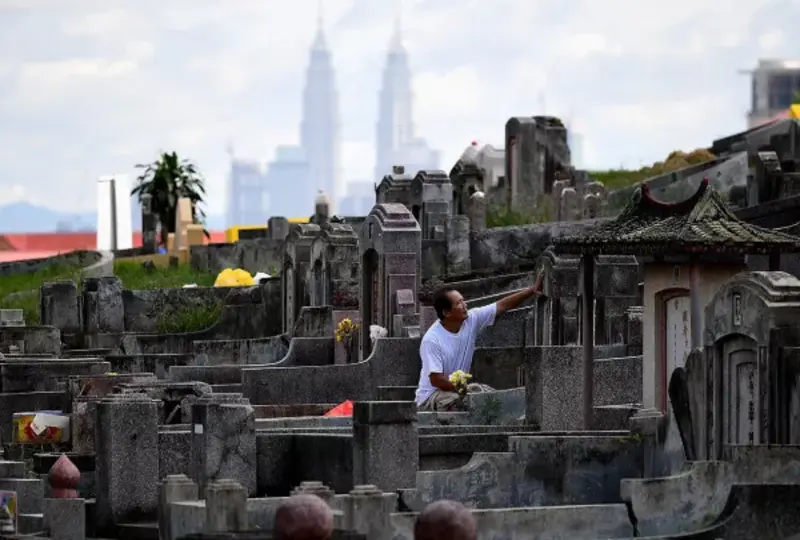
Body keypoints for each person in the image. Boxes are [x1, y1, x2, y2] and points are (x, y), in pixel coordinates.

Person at [415, 279, 542, 411]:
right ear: (446, 312)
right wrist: (462, 388)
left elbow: (501, 306)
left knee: (489, 397)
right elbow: (436, 380)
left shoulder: (471, 319)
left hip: (457, 388)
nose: (465, 305)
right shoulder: (432, 340)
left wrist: (531, 291)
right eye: (459, 303)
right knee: (468, 404)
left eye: (463, 300)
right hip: (432, 396)